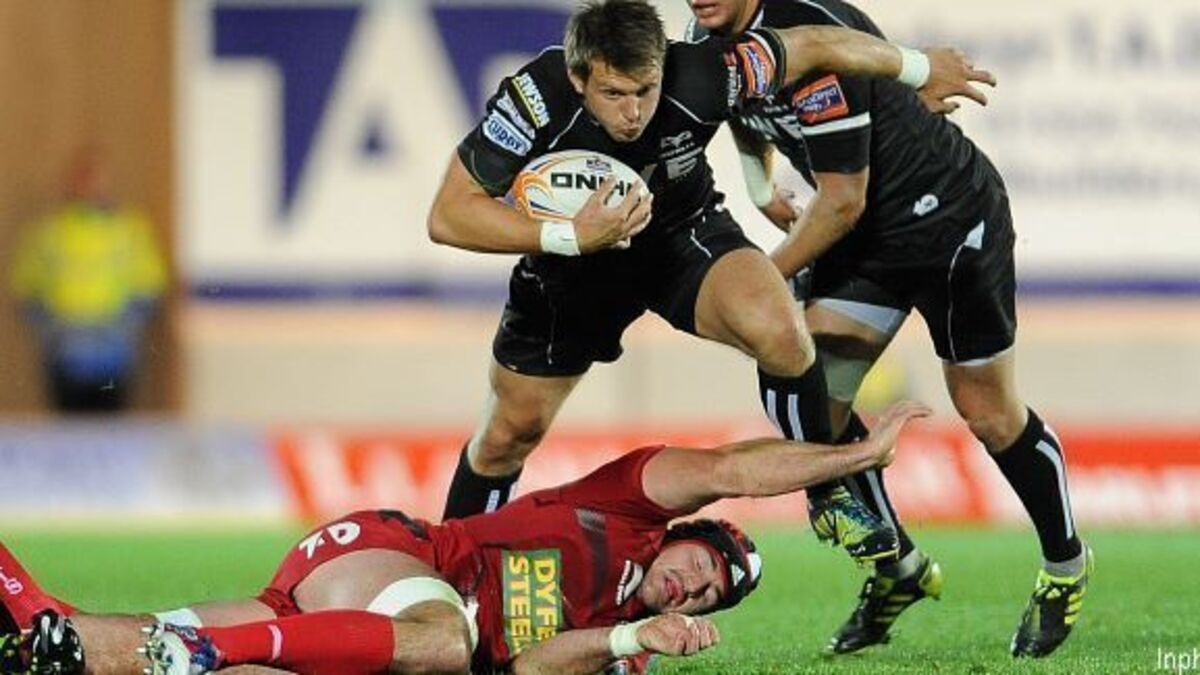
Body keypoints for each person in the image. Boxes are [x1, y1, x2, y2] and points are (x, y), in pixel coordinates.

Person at [427, 0, 992, 566]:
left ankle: (826, 493)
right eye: (614, 94)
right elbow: (449, 215)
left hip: (679, 238)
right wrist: (570, 235)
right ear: (579, 78)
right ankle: (452, 570)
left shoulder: (705, 71)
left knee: (781, 330)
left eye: (645, 91)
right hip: (569, 266)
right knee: (507, 436)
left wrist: (919, 67)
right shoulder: (535, 98)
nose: (633, 113)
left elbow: (818, 43)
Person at [685, 0, 1093, 660]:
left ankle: (1066, 566)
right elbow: (742, 109)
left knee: (988, 412)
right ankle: (898, 566)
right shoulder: (706, 37)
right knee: (806, 388)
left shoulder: (811, 37)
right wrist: (760, 185)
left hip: (947, 222)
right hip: (864, 240)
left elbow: (842, 200)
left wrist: (761, 279)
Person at [0, 401, 932, 675]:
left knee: (124, 644)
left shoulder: (624, 646)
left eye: (712, 593)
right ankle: (207, 649)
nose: (695, 586)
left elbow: (527, 669)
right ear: (679, 535)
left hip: (350, 619)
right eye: (702, 564)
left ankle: (36, 623)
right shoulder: (629, 504)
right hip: (395, 557)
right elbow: (732, 467)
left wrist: (626, 638)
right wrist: (855, 456)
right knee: (444, 640)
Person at [8, 147, 168, 413]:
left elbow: (150, 286)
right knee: (68, 428)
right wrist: (51, 330)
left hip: (115, 352)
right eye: (82, 178)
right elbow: (25, 288)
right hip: (64, 353)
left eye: (96, 178)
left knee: (110, 427)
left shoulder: (128, 230)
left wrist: (124, 327)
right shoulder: (48, 232)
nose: (89, 186)